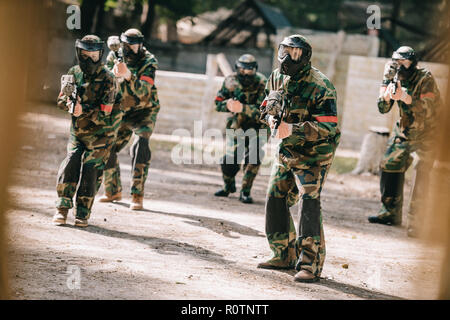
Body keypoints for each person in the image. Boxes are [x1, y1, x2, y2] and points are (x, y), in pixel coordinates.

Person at [257, 35, 340, 283]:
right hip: (288, 150)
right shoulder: (275, 77)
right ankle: (283, 254)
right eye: (283, 50)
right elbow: (265, 107)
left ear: (304, 56)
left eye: (293, 53)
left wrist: (293, 129)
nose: (286, 57)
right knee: (275, 197)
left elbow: (329, 127)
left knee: (308, 203)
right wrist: (271, 120)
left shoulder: (320, 85)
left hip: (316, 153)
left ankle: (309, 265)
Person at [367, 46, 441, 237]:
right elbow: (382, 108)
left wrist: (405, 97)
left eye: (404, 62)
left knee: (422, 172)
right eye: (396, 62)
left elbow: (428, 110)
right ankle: (389, 212)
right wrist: (386, 90)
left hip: (429, 133)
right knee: (390, 164)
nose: (400, 67)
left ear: (413, 63)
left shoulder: (425, 78)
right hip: (405, 131)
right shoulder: (392, 76)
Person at [52, 35, 116, 227]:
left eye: (93, 55)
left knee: (91, 172)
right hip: (77, 133)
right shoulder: (73, 72)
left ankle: (82, 213)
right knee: (70, 164)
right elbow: (61, 100)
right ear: (79, 53)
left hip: (100, 136)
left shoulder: (108, 78)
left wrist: (82, 110)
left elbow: (106, 111)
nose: (89, 59)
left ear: (100, 55)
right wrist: (71, 105)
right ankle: (62, 209)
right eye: (85, 54)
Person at [98, 28, 161, 210]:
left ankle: (137, 195)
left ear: (141, 45)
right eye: (127, 45)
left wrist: (127, 75)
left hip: (144, 111)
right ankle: (112, 191)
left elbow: (144, 91)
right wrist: (114, 76)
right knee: (107, 145)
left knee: (141, 145)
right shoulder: (114, 55)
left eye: (135, 45)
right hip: (122, 110)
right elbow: (105, 82)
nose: (130, 48)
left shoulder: (149, 61)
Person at [213, 54, 268, 203]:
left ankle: (245, 191)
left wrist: (242, 108)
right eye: (242, 69)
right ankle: (228, 187)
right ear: (237, 68)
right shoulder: (230, 81)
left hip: (258, 127)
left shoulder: (262, 83)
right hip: (236, 126)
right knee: (229, 161)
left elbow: (263, 112)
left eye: (249, 70)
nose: (245, 73)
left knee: (254, 158)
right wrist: (228, 105)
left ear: (254, 70)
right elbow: (218, 103)